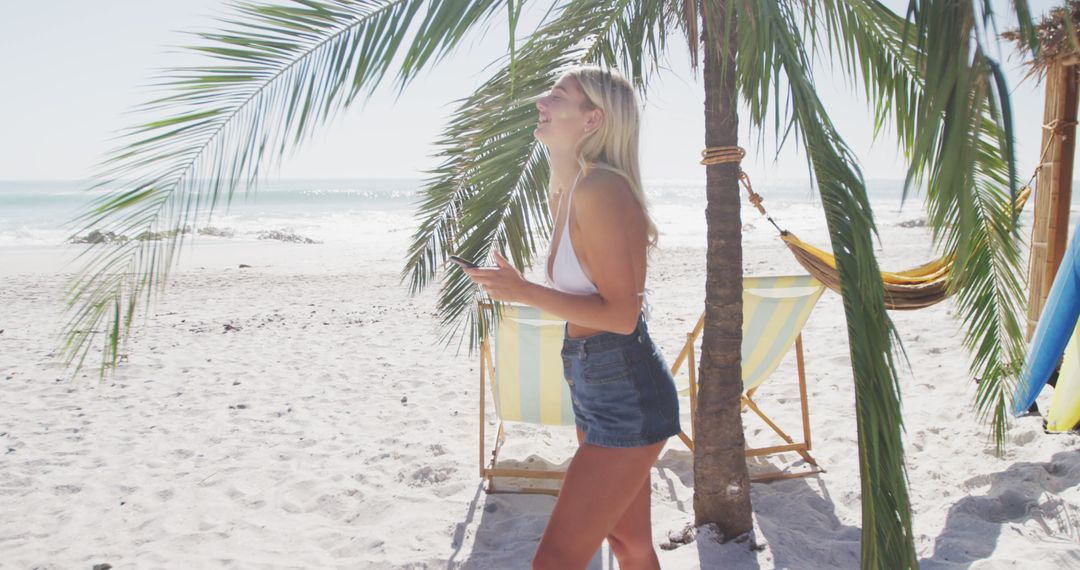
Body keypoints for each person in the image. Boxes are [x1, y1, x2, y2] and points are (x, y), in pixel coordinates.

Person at [462, 66, 680, 570]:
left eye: (557, 96)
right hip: (595, 380)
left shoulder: (600, 188)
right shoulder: (570, 189)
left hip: (623, 387)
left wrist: (523, 291)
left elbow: (622, 316)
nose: (542, 100)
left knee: (556, 559)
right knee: (629, 545)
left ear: (592, 119)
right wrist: (518, 288)